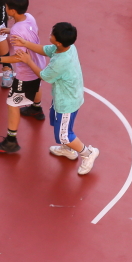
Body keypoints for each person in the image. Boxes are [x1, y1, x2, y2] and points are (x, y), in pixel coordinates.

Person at [12, 22, 100, 175]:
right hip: (63, 97)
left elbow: (44, 76)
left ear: (58, 42)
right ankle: (67, 150)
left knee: (64, 134)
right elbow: (45, 50)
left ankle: (87, 154)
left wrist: (28, 61)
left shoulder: (59, 62)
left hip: (68, 103)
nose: (50, 34)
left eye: (52, 34)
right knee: (57, 124)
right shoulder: (68, 47)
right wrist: (25, 43)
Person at [0, 0, 48, 153]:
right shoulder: (29, 17)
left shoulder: (17, 31)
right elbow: (34, 35)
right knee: (37, 85)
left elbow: (20, 58)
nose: (5, 9)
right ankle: (36, 108)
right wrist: (11, 29)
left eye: (6, 7)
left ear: (12, 11)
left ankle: (11, 141)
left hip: (26, 73)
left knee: (12, 104)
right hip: (39, 64)